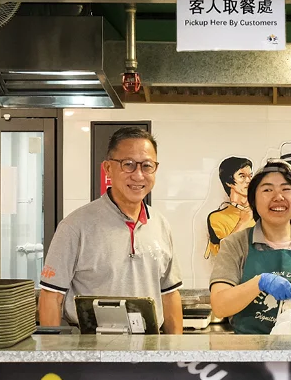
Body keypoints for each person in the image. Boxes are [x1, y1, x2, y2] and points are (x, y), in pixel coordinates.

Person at [39, 126, 183, 333]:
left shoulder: (160, 225)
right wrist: (51, 349)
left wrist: (176, 349)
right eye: (128, 164)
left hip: (150, 343)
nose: (138, 175)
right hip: (89, 344)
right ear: (108, 168)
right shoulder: (75, 226)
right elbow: (52, 296)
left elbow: (169, 294)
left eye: (147, 166)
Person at [209, 160, 291, 334]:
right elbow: (220, 306)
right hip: (248, 349)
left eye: (286, 189)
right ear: (253, 199)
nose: (278, 197)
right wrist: (259, 283)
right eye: (267, 190)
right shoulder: (235, 244)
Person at [205, 156, 254, 258]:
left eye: (250, 176)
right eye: (242, 176)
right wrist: (243, 222)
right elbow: (223, 255)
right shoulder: (217, 217)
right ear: (228, 182)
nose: (248, 180)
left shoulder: (261, 213)